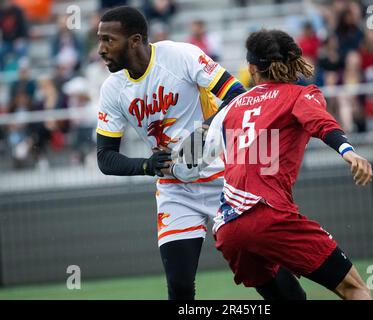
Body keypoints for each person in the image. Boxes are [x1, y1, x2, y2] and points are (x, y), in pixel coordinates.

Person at [95, 6, 306, 300]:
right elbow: (105, 158)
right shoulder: (111, 90)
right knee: (179, 287)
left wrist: (201, 137)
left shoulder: (180, 56)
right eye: (100, 40)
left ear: (134, 41)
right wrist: (146, 165)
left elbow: (235, 94)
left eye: (108, 40)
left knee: (271, 281)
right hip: (175, 188)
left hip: (225, 180)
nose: (101, 49)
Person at [170, 29, 373, 300]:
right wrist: (348, 152)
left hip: (229, 229)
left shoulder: (232, 106)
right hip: (269, 215)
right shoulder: (299, 95)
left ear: (252, 69)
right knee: (354, 288)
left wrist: (162, 163)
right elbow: (322, 124)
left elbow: (187, 162)